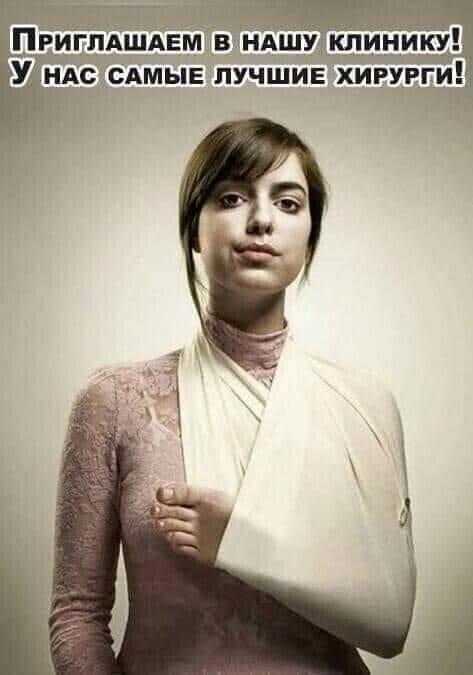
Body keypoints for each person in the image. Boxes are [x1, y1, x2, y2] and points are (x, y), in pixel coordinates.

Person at [48, 117, 417, 675]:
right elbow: (77, 614)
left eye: (288, 203)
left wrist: (243, 542)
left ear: (310, 238)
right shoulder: (115, 402)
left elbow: (390, 622)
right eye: (232, 197)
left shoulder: (365, 407)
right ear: (193, 231)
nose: (262, 220)